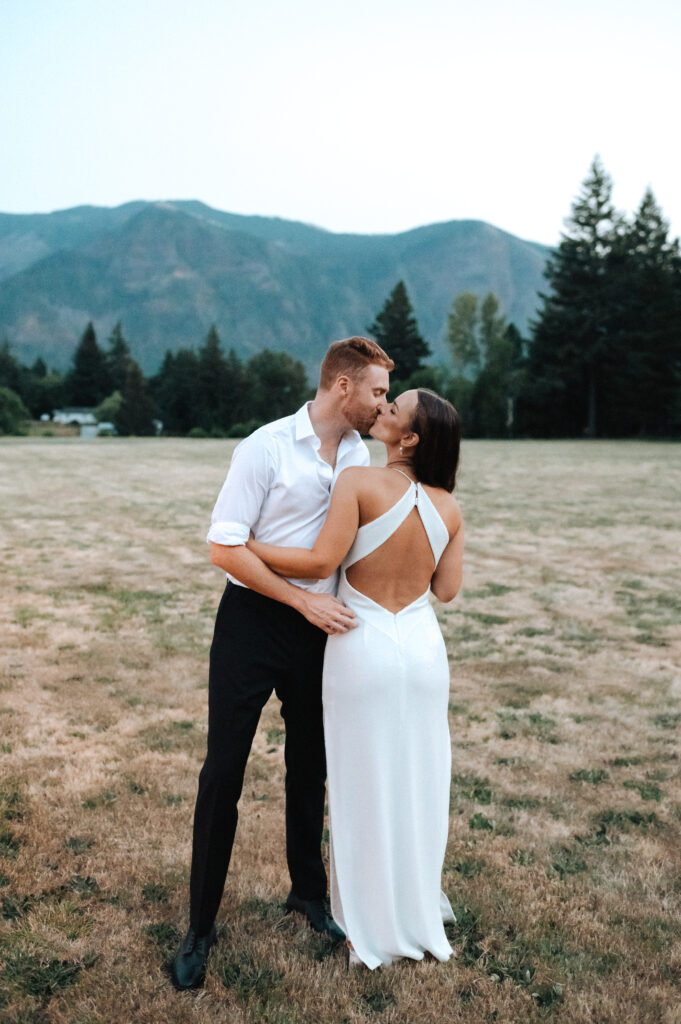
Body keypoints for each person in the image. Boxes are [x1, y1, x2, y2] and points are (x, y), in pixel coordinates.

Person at [171, 336, 393, 990]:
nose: (381, 404)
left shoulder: (358, 453)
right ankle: (200, 927)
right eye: (376, 391)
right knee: (223, 771)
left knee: (310, 765)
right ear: (342, 386)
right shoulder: (263, 447)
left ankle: (308, 895)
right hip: (252, 621)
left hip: (321, 630)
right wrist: (299, 600)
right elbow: (224, 549)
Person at [246, 388, 464, 969]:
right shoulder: (449, 506)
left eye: (395, 410)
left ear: (408, 438)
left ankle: (363, 926)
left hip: (360, 643)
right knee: (418, 780)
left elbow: (320, 562)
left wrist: (247, 545)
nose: (382, 410)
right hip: (421, 653)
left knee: (360, 785)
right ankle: (413, 907)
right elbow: (446, 590)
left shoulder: (360, 483)